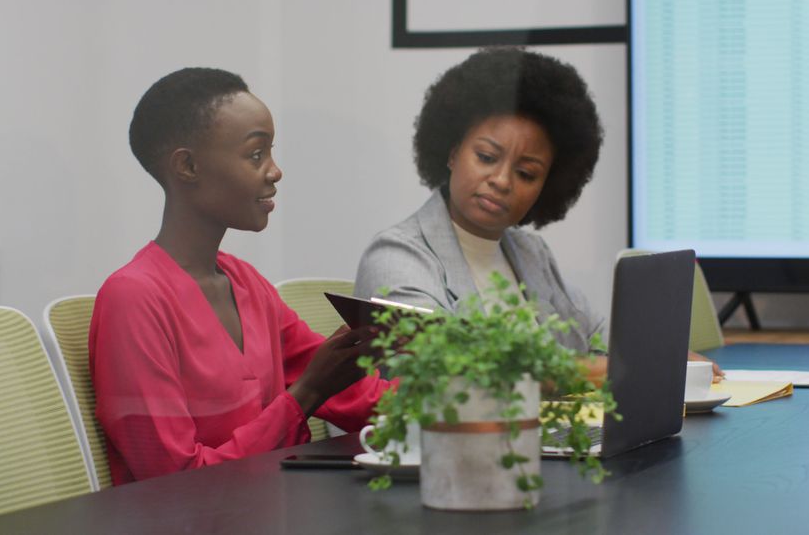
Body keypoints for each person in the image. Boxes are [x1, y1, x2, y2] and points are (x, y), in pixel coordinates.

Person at [89, 68, 389, 485]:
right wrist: (305, 396)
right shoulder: (133, 299)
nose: (275, 171)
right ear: (188, 166)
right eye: (255, 155)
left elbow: (355, 397)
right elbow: (174, 480)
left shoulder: (247, 284)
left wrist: (473, 399)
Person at [354, 47, 722, 376]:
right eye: (486, 157)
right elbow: (449, 370)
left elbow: (593, 335)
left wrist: (663, 357)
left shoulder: (530, 254)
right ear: (451, 152)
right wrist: (600, 370)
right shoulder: (395, 256)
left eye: (526, 173)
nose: (501, 180)